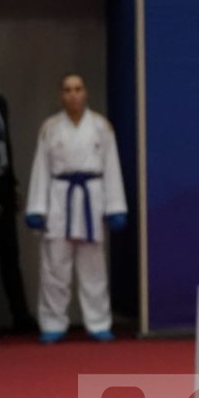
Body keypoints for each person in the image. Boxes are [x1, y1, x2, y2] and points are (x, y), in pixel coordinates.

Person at [24, 73, 127, 342]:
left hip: (91, 199)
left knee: (94, 268)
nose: (73, 94)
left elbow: (111, 168)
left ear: (86, 93)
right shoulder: (51, 128)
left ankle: (98, 322)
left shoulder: (102, 127)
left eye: (78, 89)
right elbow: (41, 170)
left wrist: (115, 207)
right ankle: (53, 323)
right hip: (60, 200)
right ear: (61, 94)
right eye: (68, 89)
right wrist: (37, 207)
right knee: (54, 267)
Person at [0, 54, 32, 335]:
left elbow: (6, 146)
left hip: (4, 185)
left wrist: (14, 184)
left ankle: (21, 317)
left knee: (10, 255)